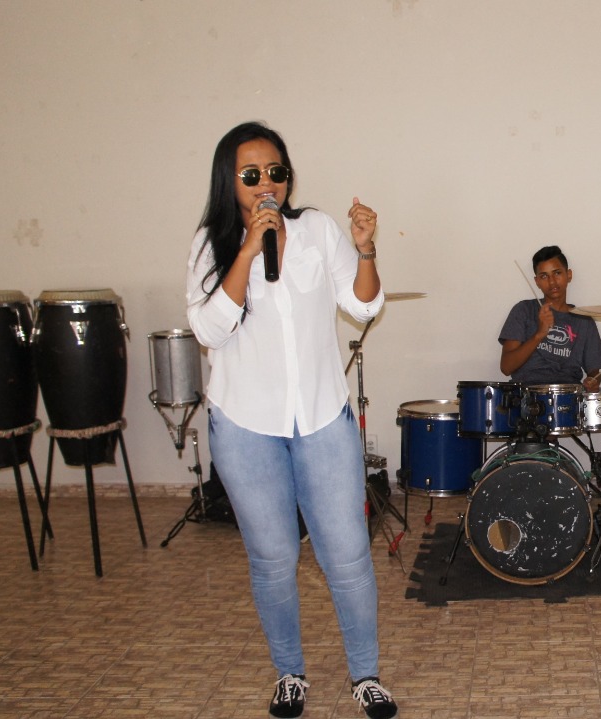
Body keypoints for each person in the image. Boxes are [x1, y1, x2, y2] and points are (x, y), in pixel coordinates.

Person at [186, 121, 398, 719]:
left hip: (322, 418)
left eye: (276, 171)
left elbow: (363, 305)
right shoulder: (210, 244)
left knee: (348, 556)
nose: (267, 184)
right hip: (246, 426)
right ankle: (289, 674)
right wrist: (249, 250)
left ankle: (366, 675)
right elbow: (208, 329)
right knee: (274, 560)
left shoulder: (317, 230)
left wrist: (365, 249)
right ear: (229, 181)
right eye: (251, 174)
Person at [498, 246, 601, 502]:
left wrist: (593, 380)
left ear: (568, 275)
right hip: (532, 398)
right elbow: (507, 366)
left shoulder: (583, 320)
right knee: (541, 428)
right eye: (544, 276)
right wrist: (539, 333)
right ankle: (540, 494)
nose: (552, 281)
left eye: (557, 273)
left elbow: (594, 371)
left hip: (572, 397)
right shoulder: (524, 311)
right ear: (537, 281)